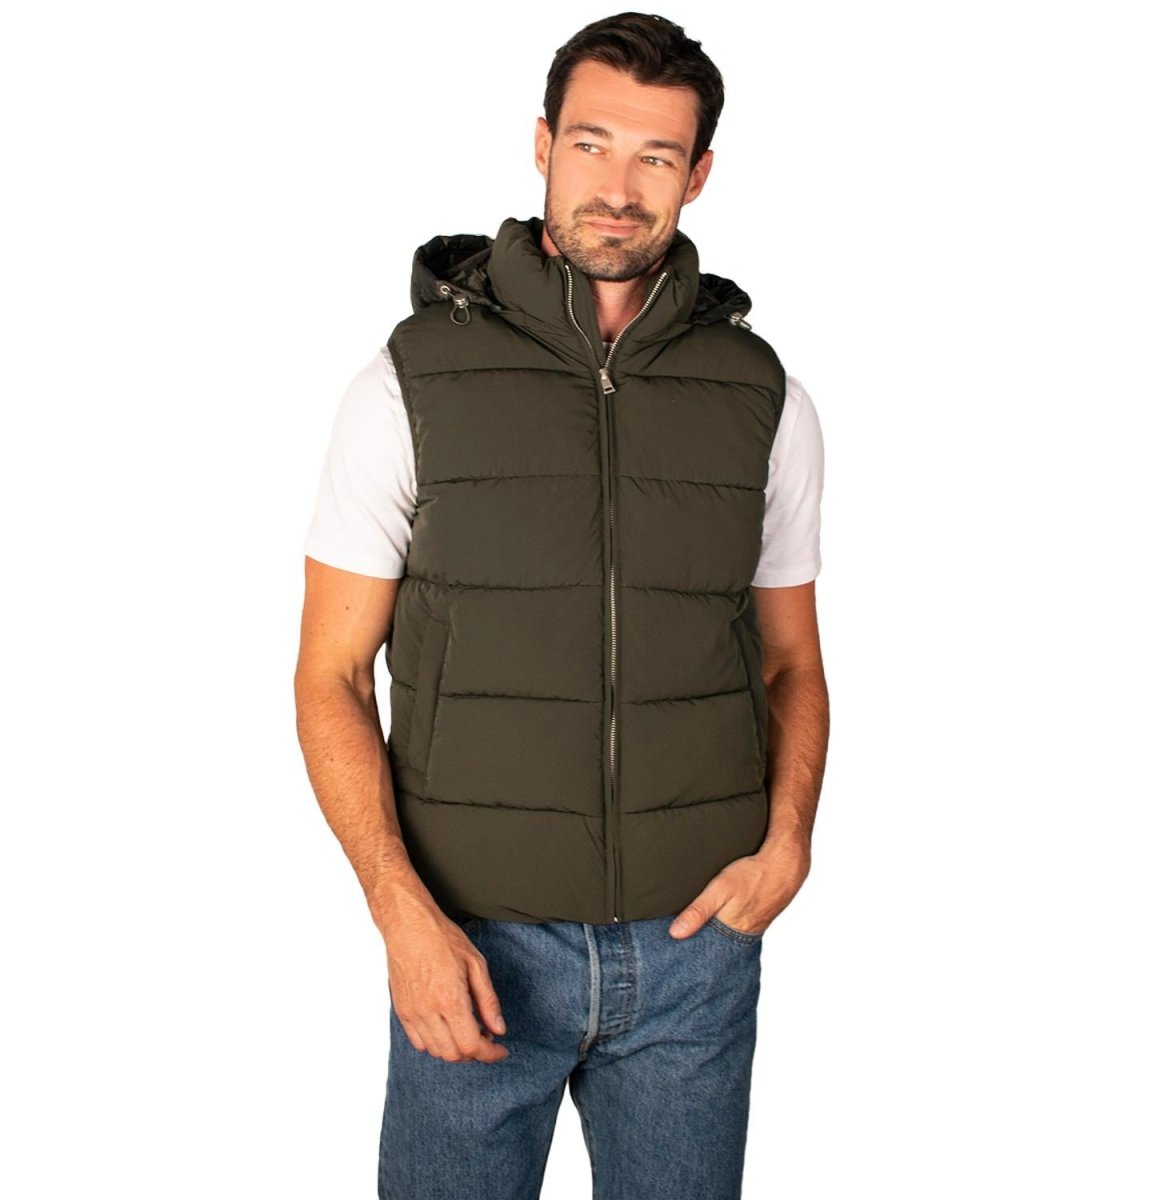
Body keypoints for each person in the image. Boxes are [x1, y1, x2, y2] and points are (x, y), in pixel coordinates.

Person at [294, 12, 829, 1198]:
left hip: (696, 950)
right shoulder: (409, 381)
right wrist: (399, 913)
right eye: (591, 145)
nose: (619, 189)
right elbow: (329, 674)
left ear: (698, 173)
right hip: (472, 949)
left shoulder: (762, 396)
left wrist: (789, 844)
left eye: (655, 156)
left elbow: (790, 657)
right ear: (542, 146)